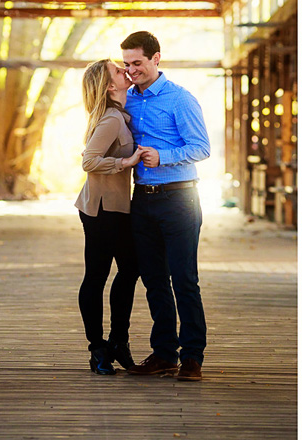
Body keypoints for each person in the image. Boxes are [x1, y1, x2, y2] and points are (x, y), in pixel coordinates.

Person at [120, 31, 211, 382]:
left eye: (137, 63)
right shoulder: (126, 99)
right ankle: (163, 354)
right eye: (127, 64)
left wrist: (164, 156)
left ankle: (192, 358)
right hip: (142, 200)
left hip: (180, 199)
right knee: (154, 280)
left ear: (157, 59)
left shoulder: (180, 99)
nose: (131, 71)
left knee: (184, 279)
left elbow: (201, 148)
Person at [75, 60, 145, 375]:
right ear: (109, 85)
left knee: (130, 269)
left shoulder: (117, 114)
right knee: (98, 276)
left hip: (116, 208)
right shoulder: (112, 118)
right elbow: (89, 161)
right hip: (102, 210)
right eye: (118, 71)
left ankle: (118, 340)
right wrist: (126, 162)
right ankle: (99, 348)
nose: (125, 72)